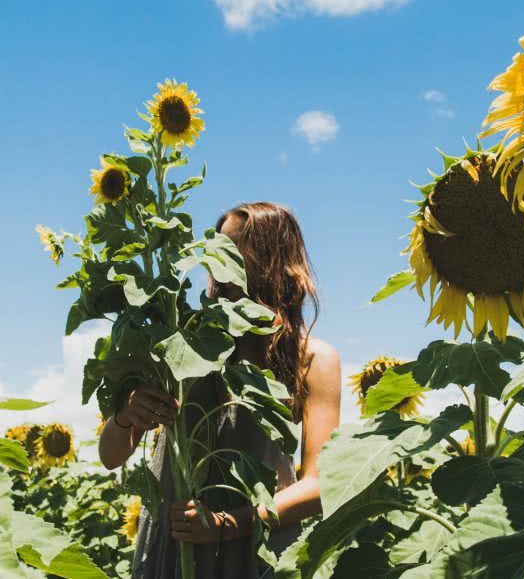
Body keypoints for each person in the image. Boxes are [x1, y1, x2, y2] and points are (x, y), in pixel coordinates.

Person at [98, 202, 342, 578]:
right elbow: (111, 455)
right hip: (176, 549)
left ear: (272, 258)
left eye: (237, 248)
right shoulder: (182, 345)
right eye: (217, 249)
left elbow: (319, 484)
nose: (219, 262)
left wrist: (227, 523)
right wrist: (127, 414)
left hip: (256, 548)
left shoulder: (312, 359)